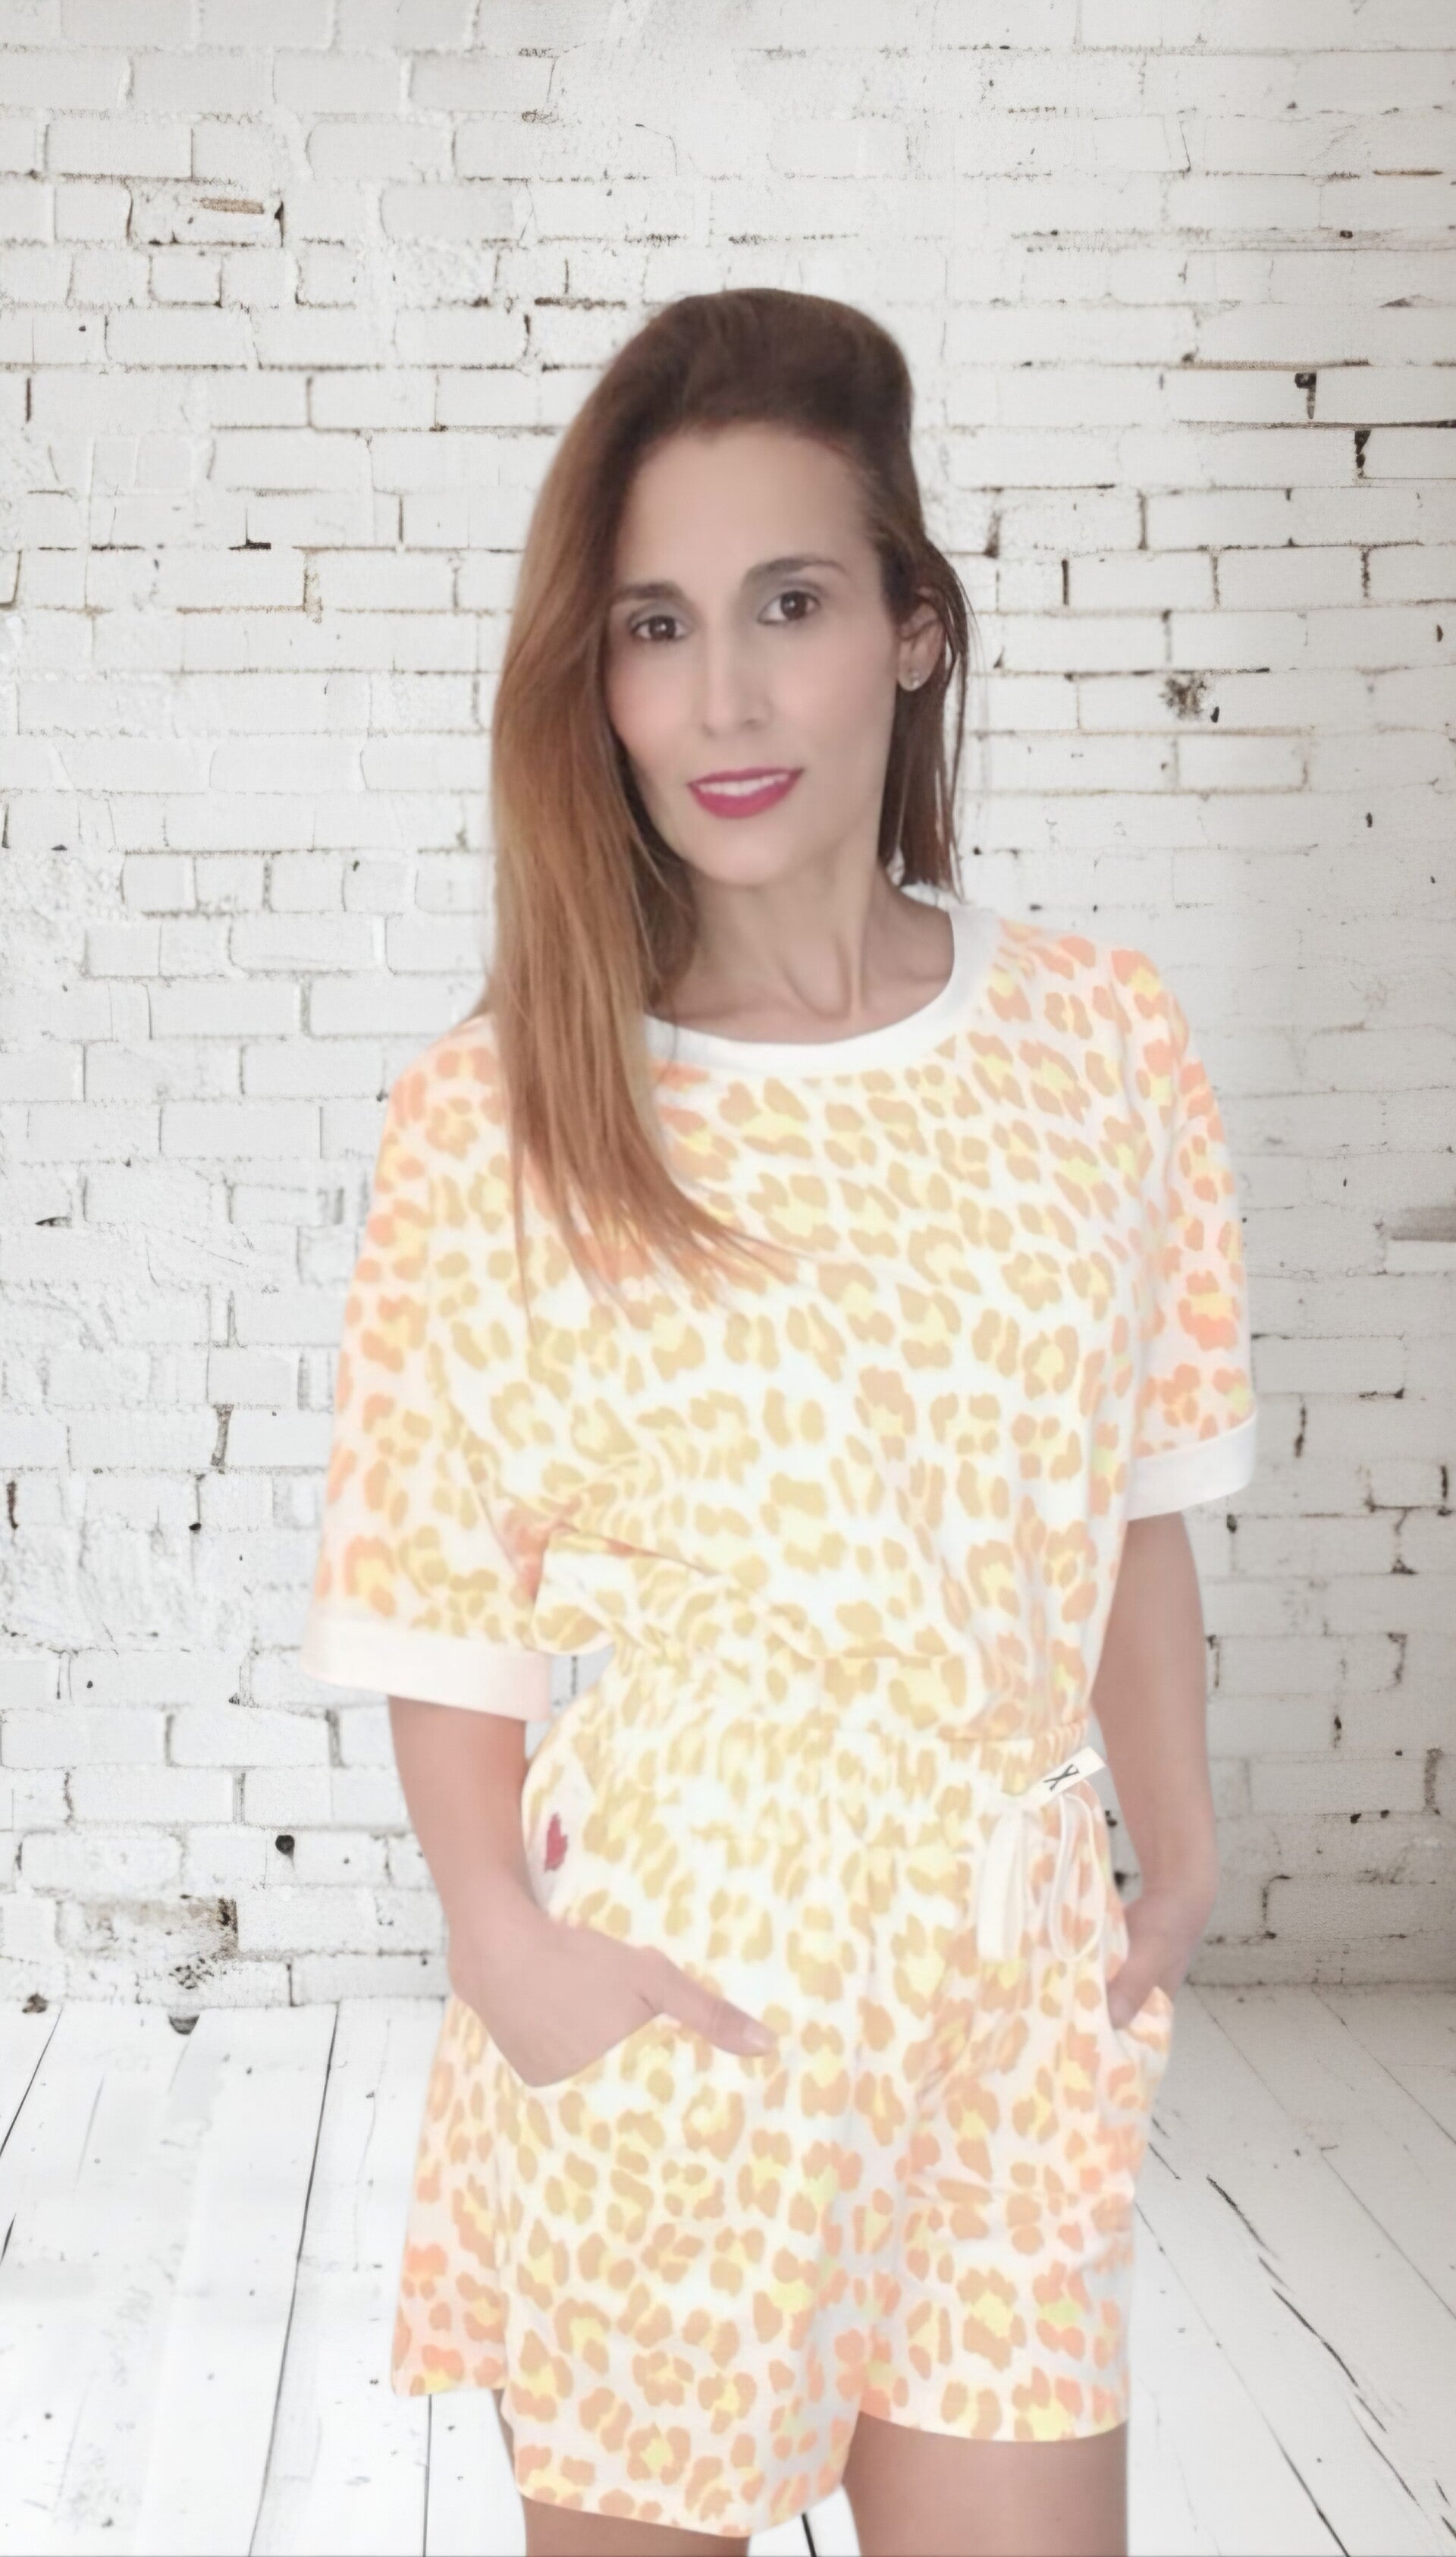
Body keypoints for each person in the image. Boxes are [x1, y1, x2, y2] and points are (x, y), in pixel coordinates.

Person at [300, 288, 1257, 2557]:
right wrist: (506, 1948)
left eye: (791, 605)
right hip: (685, 2011)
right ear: (598, 679)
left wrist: (1180, 1833)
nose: (721, 698)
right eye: (656, 626)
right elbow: (440, 1605)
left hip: (1014, 2020)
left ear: (915, 631)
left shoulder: (1102, 1041)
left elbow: (1128, 1498)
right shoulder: (508, 1110)